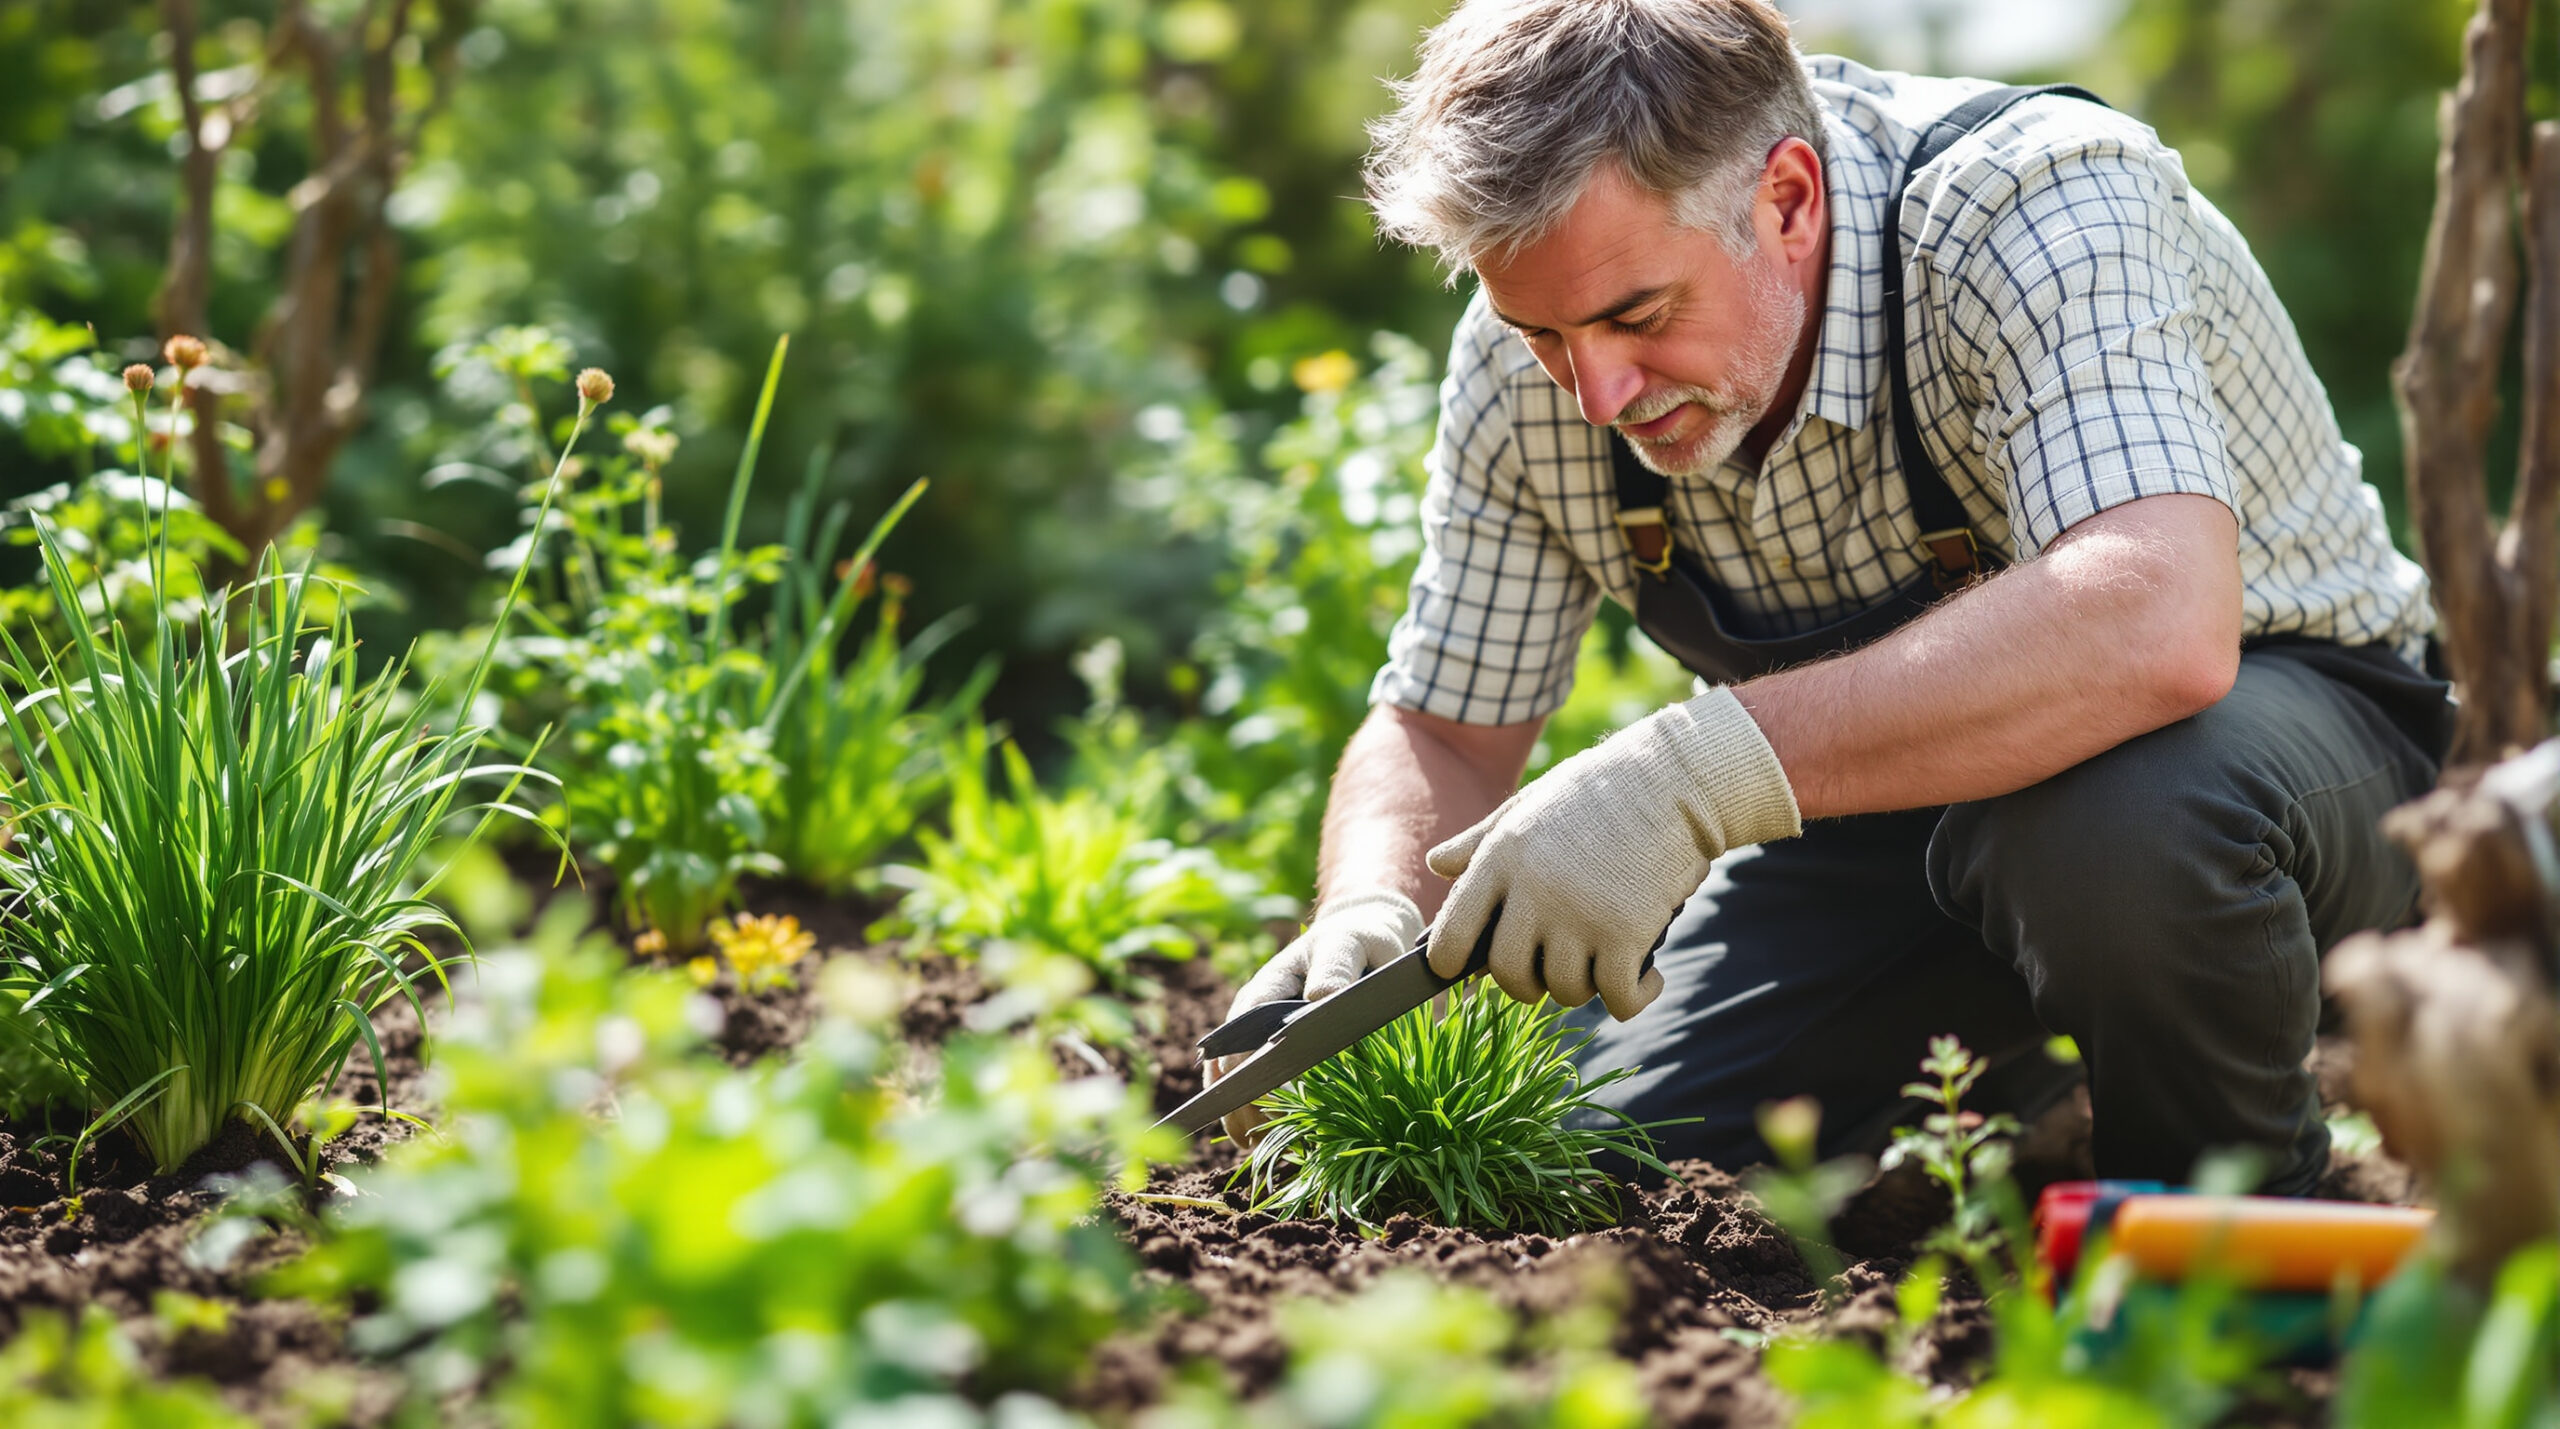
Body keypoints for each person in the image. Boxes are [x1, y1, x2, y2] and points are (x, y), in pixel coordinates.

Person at [1211, 0, 2450, 1196]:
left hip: (2297, 769)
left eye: (1637, 315)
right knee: (1597, 1148)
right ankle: (1998, 1073)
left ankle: (2229, 1260)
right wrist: (1372, 897)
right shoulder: (1529, 364)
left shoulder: (2036, 203)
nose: (1592, 391)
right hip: (1894, 814)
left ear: (1787, 200)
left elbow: (2154, 622)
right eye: (1542, 333)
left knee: (2115, 825)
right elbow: (1442, 721)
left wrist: (1690, 773)